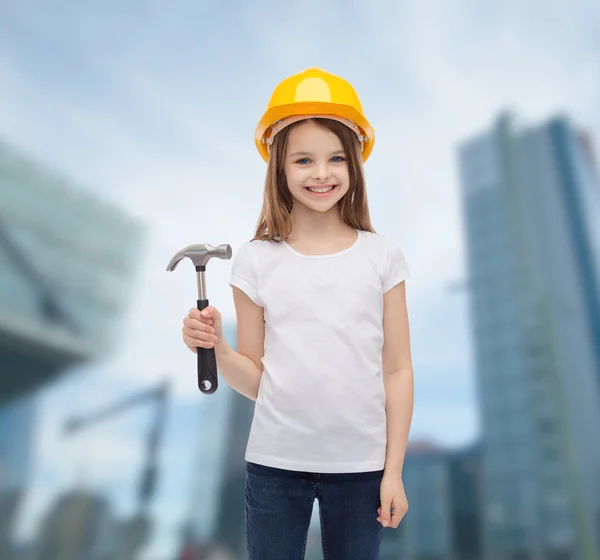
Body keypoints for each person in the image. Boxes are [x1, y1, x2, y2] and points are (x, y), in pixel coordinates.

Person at [182, 67, 414, 560]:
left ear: (354, 165)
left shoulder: (382, 256)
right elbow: (256, 379)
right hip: (273, 465)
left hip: (363, 467)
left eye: (335, 159)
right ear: (279, 169)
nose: (321, 173)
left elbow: (397, 369)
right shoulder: (255, 260)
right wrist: (216, 348)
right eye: (303, 160)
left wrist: (393, 470)